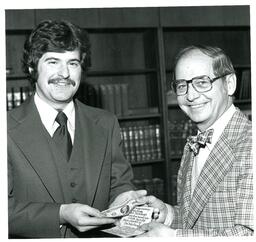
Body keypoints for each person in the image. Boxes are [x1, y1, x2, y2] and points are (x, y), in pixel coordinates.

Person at [7, 20, 146, 238]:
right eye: (53, 62)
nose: (64, 74)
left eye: (73, 63)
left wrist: (125, 201)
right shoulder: (5, 130)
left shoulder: (106, 123)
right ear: (32, 67)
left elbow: (119, 185)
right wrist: (60, 214)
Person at [137, 45, 253, 236]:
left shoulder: (249, 144)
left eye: (202, 82)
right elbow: (195, 220)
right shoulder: (193, 145)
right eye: (182, 85)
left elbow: (249, 234)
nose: (190, 96)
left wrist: (173, 238)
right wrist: (168, 215)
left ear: (229, 83)